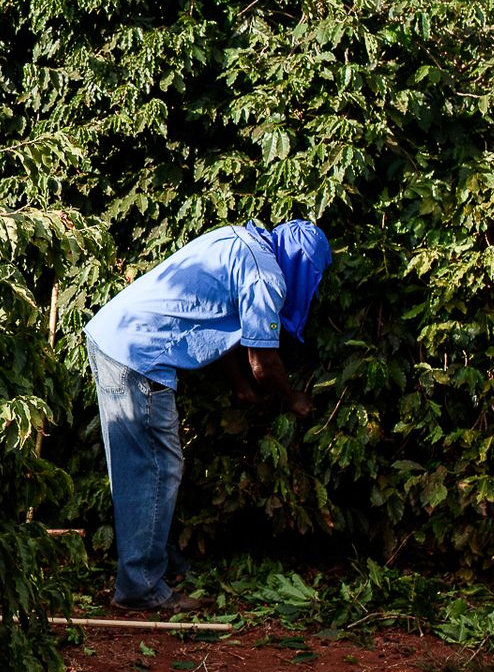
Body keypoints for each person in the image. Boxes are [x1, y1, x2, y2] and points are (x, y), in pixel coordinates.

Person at [83, 220, 332, 615]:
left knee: (139, 469)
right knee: (156, 470)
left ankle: (154, 566)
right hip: (138, 357)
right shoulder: (266, 277)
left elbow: (219, 319)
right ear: (304, 266)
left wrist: (240, 386)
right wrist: (293, 400)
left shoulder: (239, 240)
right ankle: (140, 588)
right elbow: (263, 361)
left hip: (113, 336)